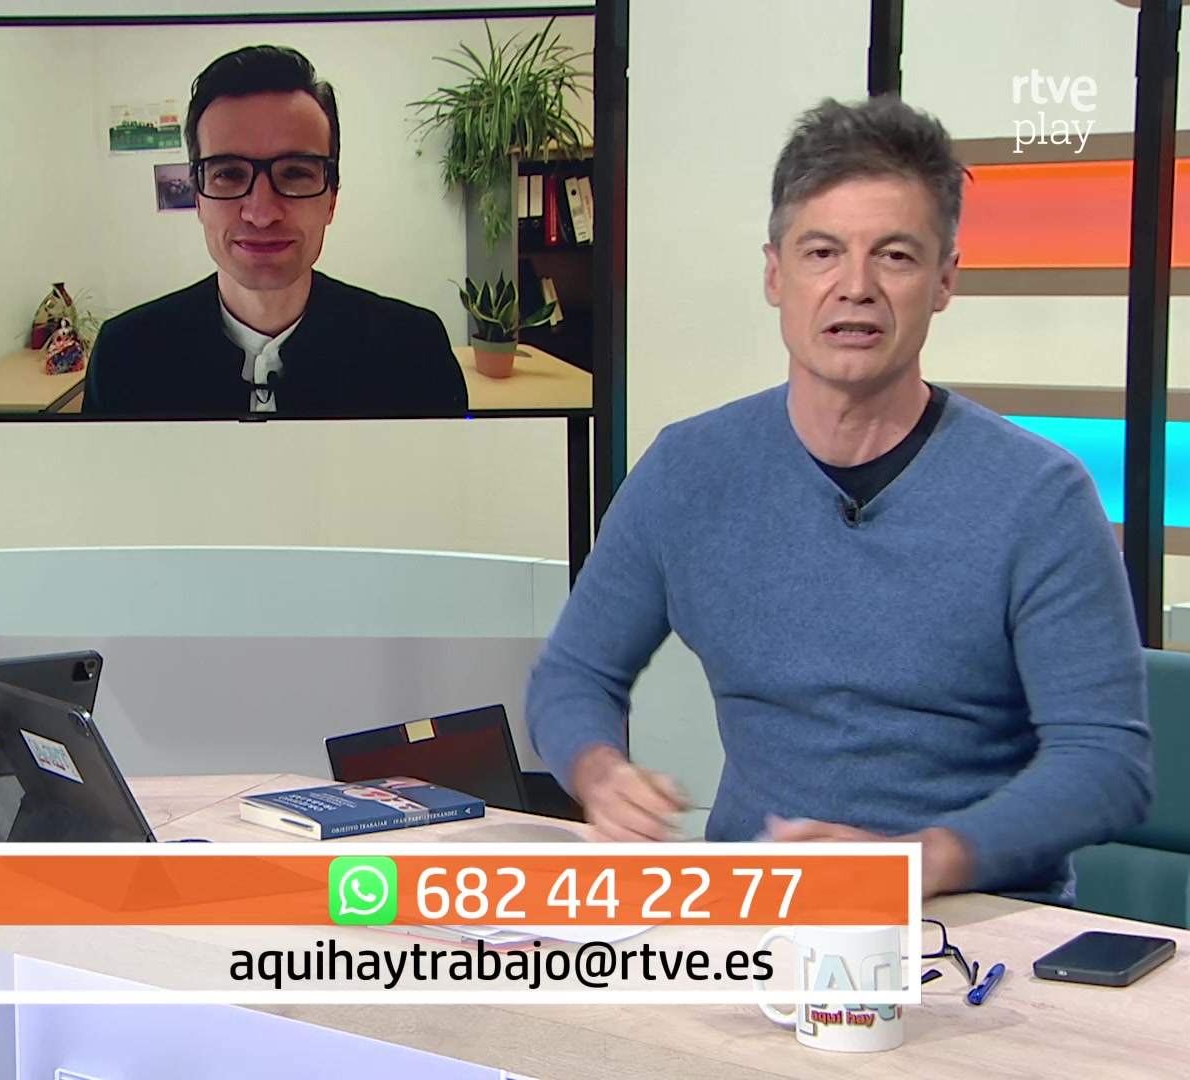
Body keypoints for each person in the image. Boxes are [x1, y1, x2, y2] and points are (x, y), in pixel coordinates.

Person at [525, 96, 1152, 905]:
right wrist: (598, 770)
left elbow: (1107, 764)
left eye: (895, 256)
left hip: (971, 925)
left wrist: (914, 864)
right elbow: (572, 678)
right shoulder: (688, 470)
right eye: (823, 252)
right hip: (758, 915)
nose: (855, 287)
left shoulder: (1039, 496)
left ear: (944, 281)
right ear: (775, 274)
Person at [81, 45, 469, 419]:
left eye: (296, 173)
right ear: (198, 198)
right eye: (229, 174)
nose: (262, 214)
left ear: (332, 198)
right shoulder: (124, 359)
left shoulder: (414, 353)